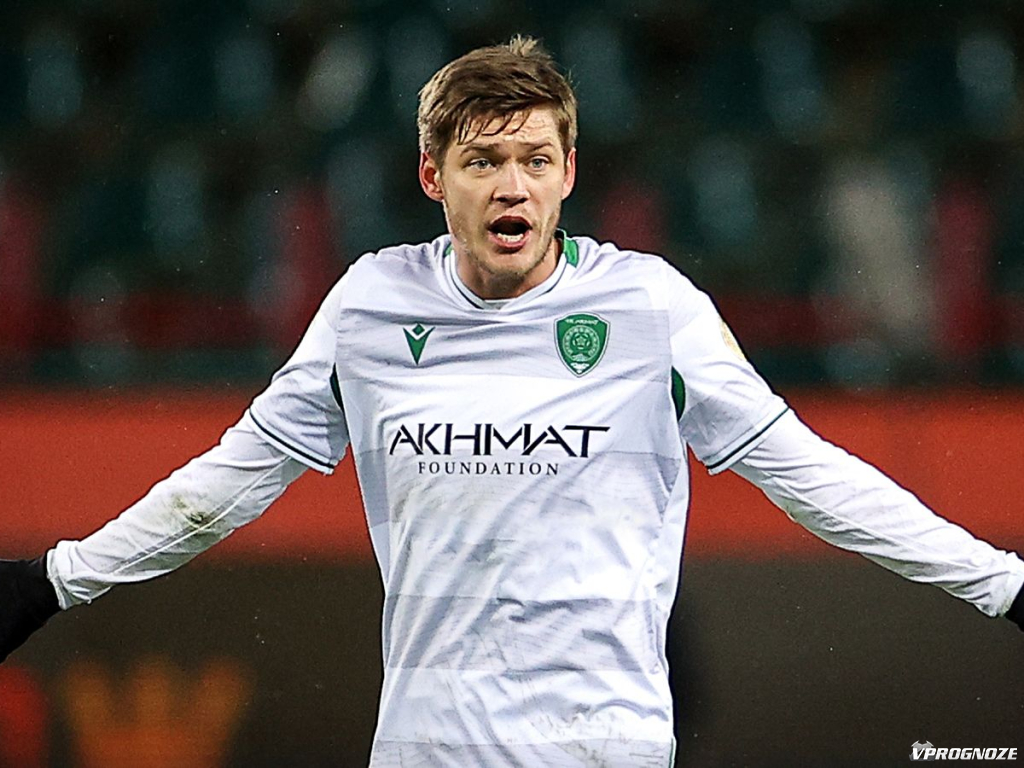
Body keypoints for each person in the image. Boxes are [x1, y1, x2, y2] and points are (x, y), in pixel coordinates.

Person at [1, 36, 1022, 767]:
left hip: (603, 749)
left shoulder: (649, 308)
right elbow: (231, 480)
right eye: (482, 161)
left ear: (569, 173)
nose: (511, 186)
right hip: (424, 749)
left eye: (535, 161)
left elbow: (811, 476)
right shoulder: (370, 305)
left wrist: (1004, 585)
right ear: (431, 175)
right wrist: (57, 579)